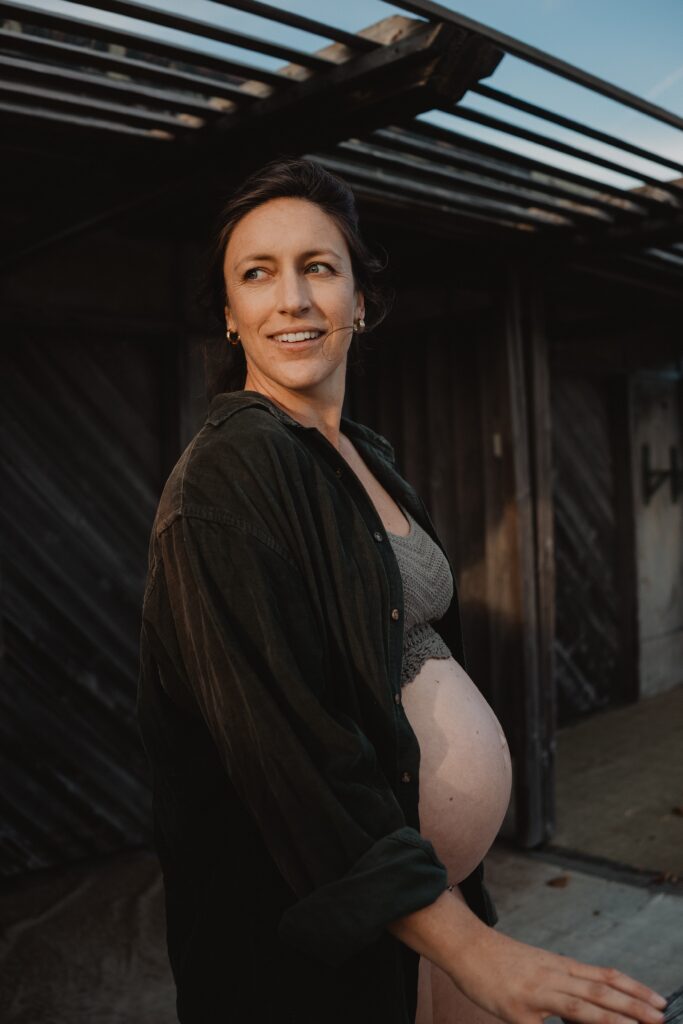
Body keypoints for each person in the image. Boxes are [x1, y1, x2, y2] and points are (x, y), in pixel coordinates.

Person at [136, 157, 669, 1024]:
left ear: (360, 299)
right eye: (256, 274)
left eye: (319, 267)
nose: (293, 300)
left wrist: (458, 903)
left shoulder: (363, 455)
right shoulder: (231, 474)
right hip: (315, 932)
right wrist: (473, 951)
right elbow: (284, 755)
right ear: (230, 315)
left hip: (425, 900)